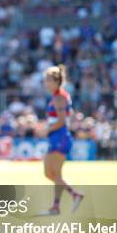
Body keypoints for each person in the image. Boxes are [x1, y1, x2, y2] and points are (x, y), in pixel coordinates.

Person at [39, 65, 84, 215]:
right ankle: (74, 194)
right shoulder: (57, 96)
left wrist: (47, 129)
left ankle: (56, 207)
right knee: (49, 173)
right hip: (56, 137)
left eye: (48, 80)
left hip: (60, 137)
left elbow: (61, 120)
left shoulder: (59, 97)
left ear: (56, 81)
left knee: (56, 173)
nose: (46, 83)